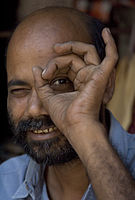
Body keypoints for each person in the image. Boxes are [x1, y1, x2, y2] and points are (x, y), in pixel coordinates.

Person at [0, 7, 135, 200]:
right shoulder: (5, 184)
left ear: (107, 85)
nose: (34, 108)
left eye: (60, 82)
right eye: (19, 91)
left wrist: (83, 128)